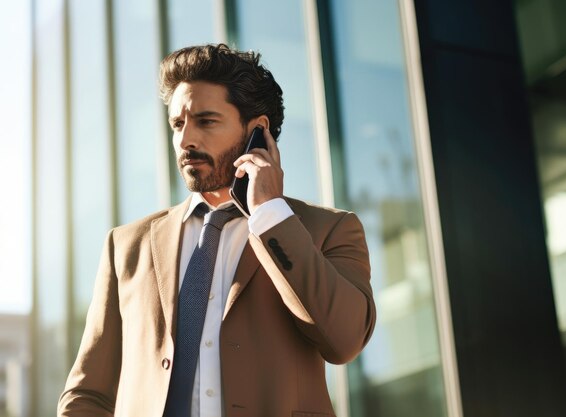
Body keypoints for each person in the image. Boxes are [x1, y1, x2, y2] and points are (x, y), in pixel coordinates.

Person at [58, 43, 375, 417]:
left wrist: (270, 213)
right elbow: (87, 394)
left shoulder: (328, 229)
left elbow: (344, 340)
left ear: (257, 131)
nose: (186, 140)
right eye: (178, 124)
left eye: (206, 121)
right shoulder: (127, 246)